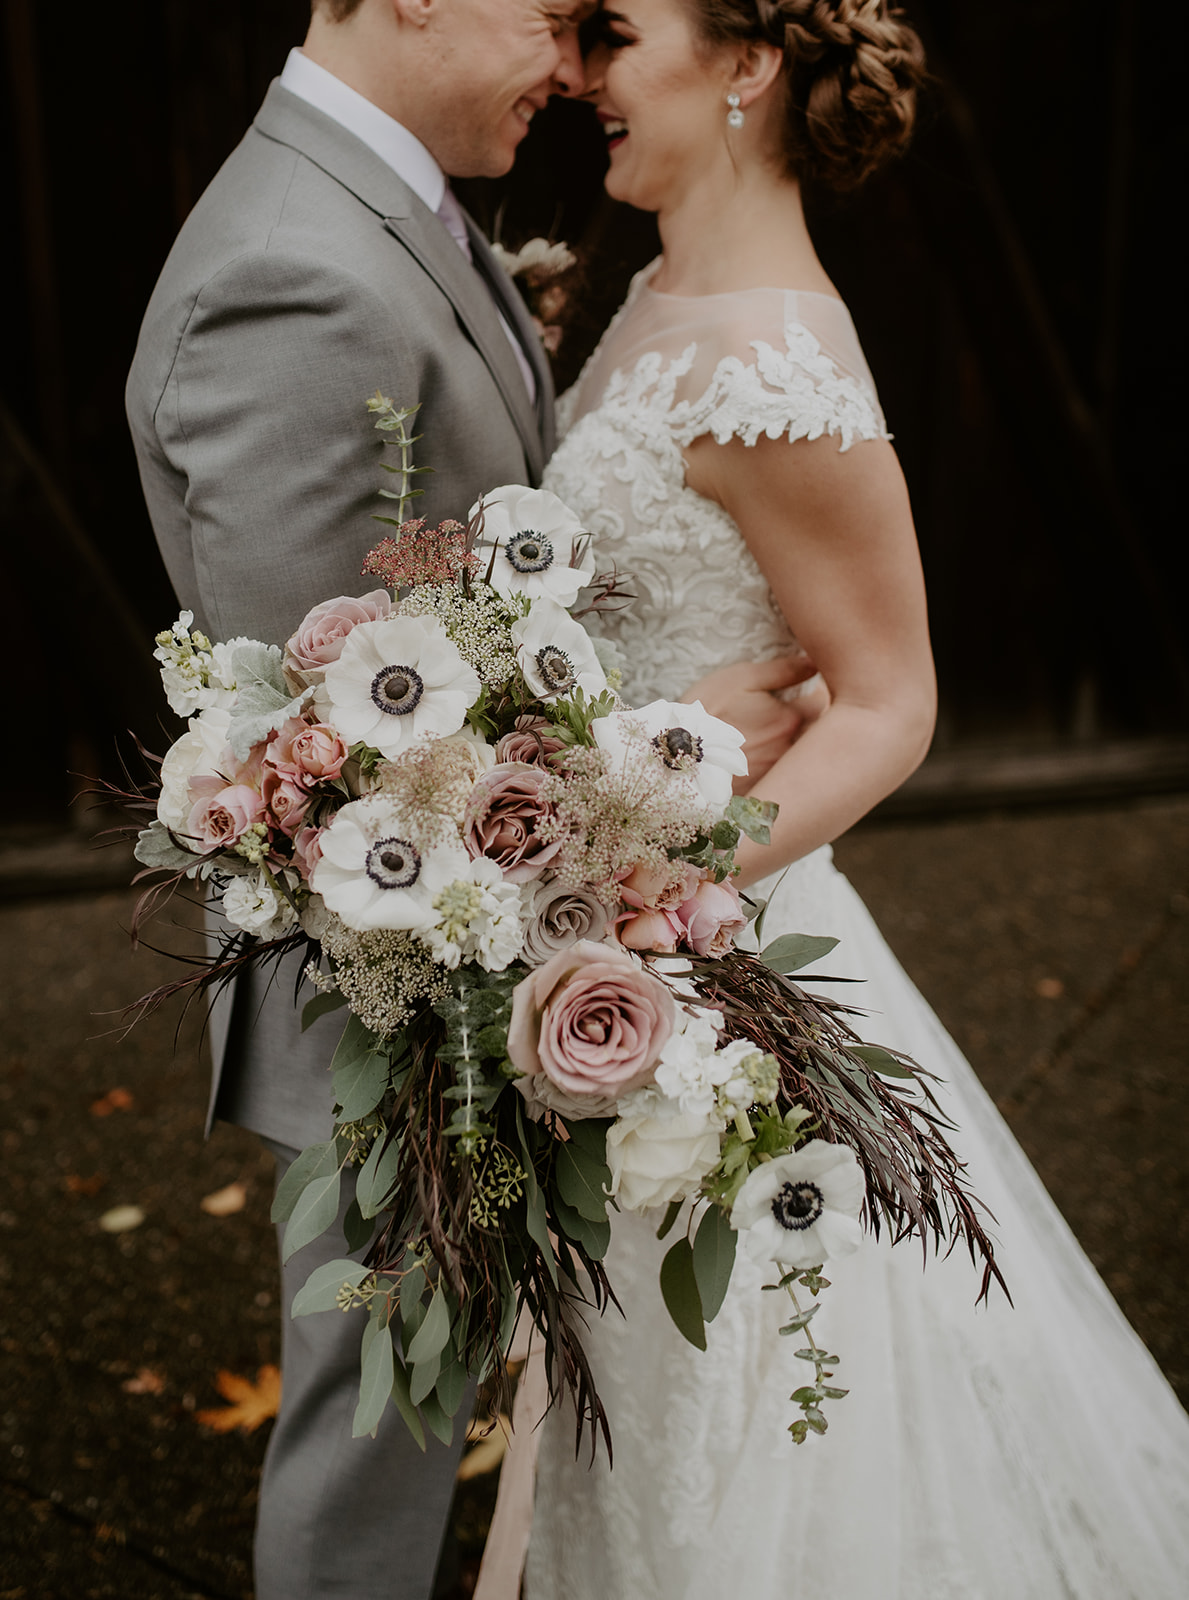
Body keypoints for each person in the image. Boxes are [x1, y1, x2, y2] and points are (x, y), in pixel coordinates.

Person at [125, 3, 808, 1595]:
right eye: (552, 17)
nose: (570, 68)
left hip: (482, 944)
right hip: (397, 992)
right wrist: (659, 737)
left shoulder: (388, 198)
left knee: (417, 1412)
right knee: (378, 1438)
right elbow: (346, 759)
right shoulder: (289, 275)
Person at [514, 2, 1189, 1596]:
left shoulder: (780, 364)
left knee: (773, 1385)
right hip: (623, 916)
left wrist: (670, 892)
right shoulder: (663, 294)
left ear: (743, 65)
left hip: (706, 950)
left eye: (618, 35)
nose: (583, 77)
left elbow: (887, 703)